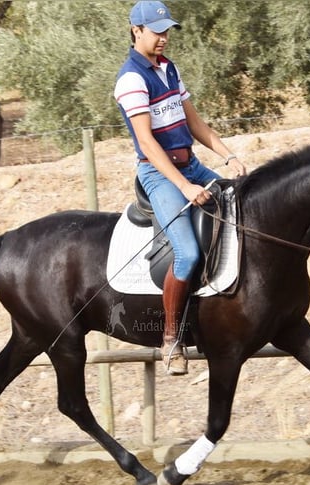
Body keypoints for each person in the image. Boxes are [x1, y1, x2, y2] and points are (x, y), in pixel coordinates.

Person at [114, 0, 247, 376]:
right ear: (136, 31)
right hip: (160, 176)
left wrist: (227, 156)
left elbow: (195, 123)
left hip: (190, 163)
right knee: (186, 254)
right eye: (156, 31)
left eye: (167, 30)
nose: (163, 38)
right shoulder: (131, 80)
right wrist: (186, 187)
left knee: (243, 204)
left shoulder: (169, 69)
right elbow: (148, 144)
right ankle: (171, 340)